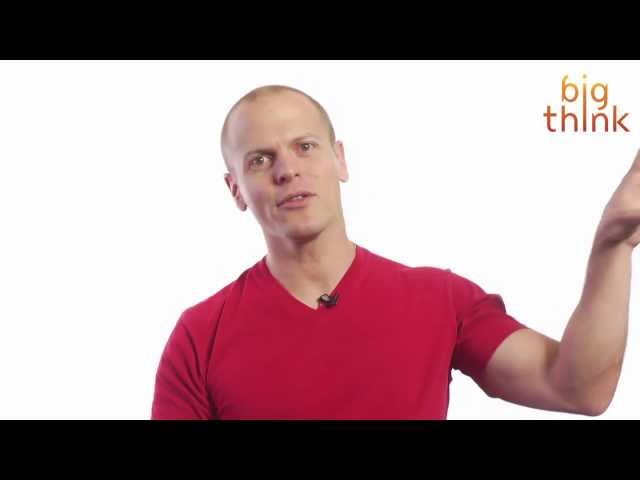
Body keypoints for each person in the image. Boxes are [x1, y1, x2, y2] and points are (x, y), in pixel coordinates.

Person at [151, 85, 638, 420]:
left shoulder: (439, 299)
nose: (287, 170)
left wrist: (611, 246)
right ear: (235, 188)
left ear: (339, 159)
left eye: (305, 146)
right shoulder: (200, 335)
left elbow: (578, 388)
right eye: (261, 159)